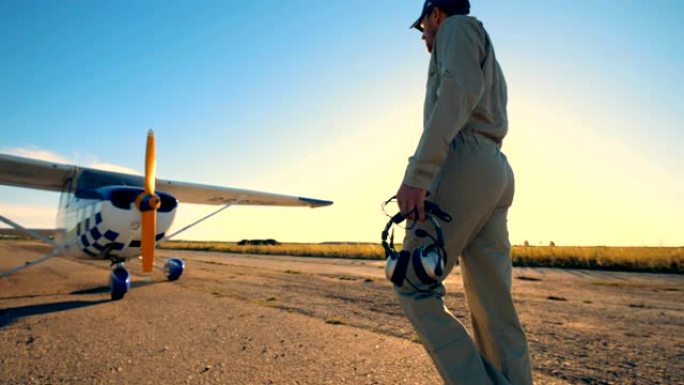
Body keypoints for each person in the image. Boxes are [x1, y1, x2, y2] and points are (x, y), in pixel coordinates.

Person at [394, 1, 533, 384]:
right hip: (495, 170)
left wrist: (419, 173)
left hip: (463, 161)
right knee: (493, 304)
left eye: (421, 25)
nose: (422, 35)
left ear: (435, 13)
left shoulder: (456, 29)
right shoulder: (480, 40)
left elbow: (456, 93)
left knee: (412, 284)